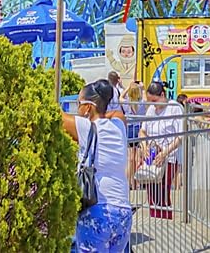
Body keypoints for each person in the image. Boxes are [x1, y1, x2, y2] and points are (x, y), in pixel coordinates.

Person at [62, 80, 133, 252]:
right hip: (123, 213)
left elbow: (53, 116)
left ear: (87, 107)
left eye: (78, 103)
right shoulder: (118, 126)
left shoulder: (85, 127)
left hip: (98, 210)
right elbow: (116, 113)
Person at [138, 81, 184, 221]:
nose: (153, 104)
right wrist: (144, 146)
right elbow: (142, 131)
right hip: (151, 156)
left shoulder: (174, 108)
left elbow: (180, 136)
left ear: (162, 95)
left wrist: (164, 153)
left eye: (155, 101)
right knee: (151, 189)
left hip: (169, 156)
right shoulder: (151, 109)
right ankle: (154, 218)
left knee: (162, 190)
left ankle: (165, 220)